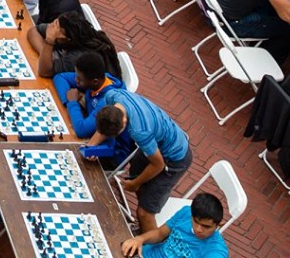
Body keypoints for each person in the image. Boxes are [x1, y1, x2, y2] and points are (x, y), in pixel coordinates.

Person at [91, 91, 193, 230]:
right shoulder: (113, 96)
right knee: (137, 176)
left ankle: (148, 244)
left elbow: (158, 164)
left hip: (174, 158)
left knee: (144, 212)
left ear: (125, 122)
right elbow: (104, 127)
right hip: (156, 143)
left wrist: (134, 184)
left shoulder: (139, 131)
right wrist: (90, 147)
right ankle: (144, 223)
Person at [120, 191, 230, 258]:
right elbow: (160, 233)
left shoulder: (216, 251)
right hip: (144, 253)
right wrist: (139, 239)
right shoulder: (186, 212)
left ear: (218, 225)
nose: (198, 229)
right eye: (195, 221)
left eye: (206, 226)